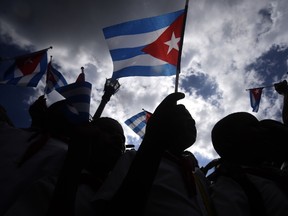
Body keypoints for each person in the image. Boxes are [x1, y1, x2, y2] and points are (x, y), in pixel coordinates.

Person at [92, 92, 213, 216]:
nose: (191, 123)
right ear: (164, 123)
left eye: (192, 121)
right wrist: (152, 143)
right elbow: (110, 208)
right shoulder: (134, 158)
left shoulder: (197, 174)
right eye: (183, 118)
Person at [5, 116, 127, 216]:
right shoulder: (53, 168)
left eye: (122, 139)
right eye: (108, 130)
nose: (118, 138)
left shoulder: (120, 195)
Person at [207, 112, 288, 216]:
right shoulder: (230, 186)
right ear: (231, 140)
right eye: (253, 126)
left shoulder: (271, 171)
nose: (263, 131)